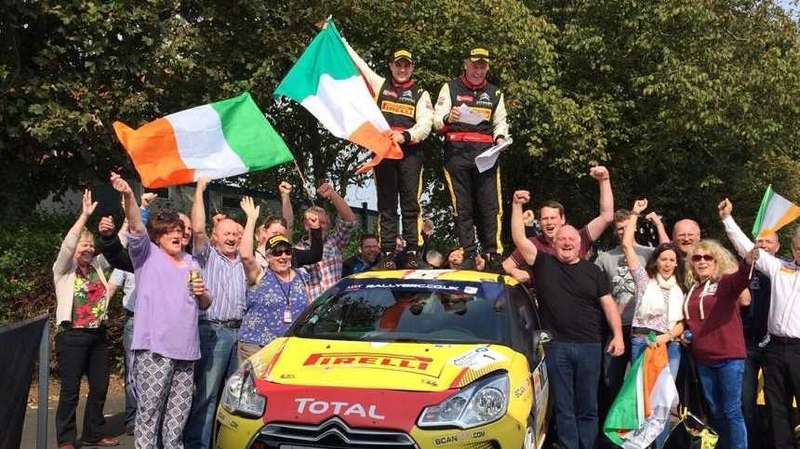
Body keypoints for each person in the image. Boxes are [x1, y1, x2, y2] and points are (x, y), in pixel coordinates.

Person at [510, 190, 624, 449]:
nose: (567, 242)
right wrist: (517, 206)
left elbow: (609, 304)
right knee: (564, 405)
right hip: (557, 346)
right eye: (562, 239)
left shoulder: (593, 271)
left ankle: (587, 445)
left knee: (588, 405)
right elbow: (519, 236)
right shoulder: (542, 263)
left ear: (579, 244)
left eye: (572, 238)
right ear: (556, 241)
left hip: (590, 346)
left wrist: (617, 335)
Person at [111, 172, 211, 449]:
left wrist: (204, 294)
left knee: (177, 418)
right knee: (149, 413)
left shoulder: (192, 262)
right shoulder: (147, 255)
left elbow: (204, 303)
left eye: (180, 232)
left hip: (186, 351)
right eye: (170, 232)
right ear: (157, 237)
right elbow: (135, 225)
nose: (177, 236)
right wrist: (129, 196)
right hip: (155, 350)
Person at [344, 39, 433, 269]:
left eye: (406, 65)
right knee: (386, 204)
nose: (402, 69)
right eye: (398, 65)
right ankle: (388, 253)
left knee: (410, 203)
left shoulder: (420, 93)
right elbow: (359, 65)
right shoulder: (380, 85)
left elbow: (426, 124)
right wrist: (339, 39)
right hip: (384, 153)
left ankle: (413, 250)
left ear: (412, 68)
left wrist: (405, 136)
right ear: (391, 66)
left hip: (410, 153)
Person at [720, 198, 800, 449]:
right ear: (792, 247)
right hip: (776, 347)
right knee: (777, 406)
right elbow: (747, 247)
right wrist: (727, 219)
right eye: (798, 248)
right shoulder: (780, 268)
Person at [185, 176, 248, 449]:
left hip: (240, 333)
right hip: (214, 331)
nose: (232, 238)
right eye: (227, 234)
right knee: (207, 395)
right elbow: (197, 229)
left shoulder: (246, 260)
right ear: (216, 235)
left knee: (236, 395)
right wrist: (199, 189)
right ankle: (196, 444)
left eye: (236, 234)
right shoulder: (207, 255)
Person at [433, 46, 509, 271]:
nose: (478, 70)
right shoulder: (450, 88)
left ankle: (493, 254)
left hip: (485, 155)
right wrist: (448, 117)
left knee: (490, 205)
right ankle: (467, 252)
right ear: (465, 64)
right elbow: (436, 121)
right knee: (462, 207)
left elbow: (501, 122)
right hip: (456, 153)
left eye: (483, 66)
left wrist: (501, 138)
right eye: (475, 65)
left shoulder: (495, 93)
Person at [52, 189, 118, 449]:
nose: (89, 249)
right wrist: (84, 215)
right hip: (72, 335)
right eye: (84, 245)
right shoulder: (62, 270)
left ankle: (93, 433)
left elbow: (119, 241)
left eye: (91, 245)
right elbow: (68, 243)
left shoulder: (98, 267)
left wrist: (136, 205)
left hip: (97, 335)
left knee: (100, 387)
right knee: (70, 391)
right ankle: (66, 439)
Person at [622, 199, 686, 447]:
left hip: (670, 345)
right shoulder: (643, 281)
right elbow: (627, 245)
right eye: (663, 259)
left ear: (676, 263)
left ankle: (659, 445)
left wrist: (668, 337)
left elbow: (683, 322)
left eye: (672, 259)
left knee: (664, 400)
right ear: (656, 261)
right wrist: (635, 214)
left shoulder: (681, 288)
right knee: (642, 398)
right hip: (644, 341)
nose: (668, 263)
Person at [682, 222, 752, 449]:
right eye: (697, 258)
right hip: (703, 360)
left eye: (708, 257)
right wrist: (686, 333)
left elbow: (742, 277)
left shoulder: (725, 283)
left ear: (717, 261)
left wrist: (748, 261)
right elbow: (690, 320)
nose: (702, 261)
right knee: (715, 411)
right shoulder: (692, 290)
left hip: (729, 357)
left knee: (731, 410)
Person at [503, 166, 615, 283]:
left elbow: (607, 217)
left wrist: (604, 180)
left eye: (553, 218)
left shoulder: (579, 237)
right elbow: (506, 265)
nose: (549, 222)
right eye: (545, 219)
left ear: (562, 219)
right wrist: (518, 272)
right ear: (539, 223)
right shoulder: (533, 245)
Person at [237, 196, 311, 362]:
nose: (283, 256)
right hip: (256, 345)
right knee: (255, 387)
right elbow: (246, 256)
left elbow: (308, 309)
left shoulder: (301, 276)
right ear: (268, 256)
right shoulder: (260, 274)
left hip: (288, 347)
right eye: (277, 252)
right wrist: (251, 219)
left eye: (287, 251)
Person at [293, 182, 359, 299]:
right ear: (305, 225)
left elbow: (350, 221)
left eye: (322, 222)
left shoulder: (335, 242)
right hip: (311, 309)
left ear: (329, 225)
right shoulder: (298, 250)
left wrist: (332, 194)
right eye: (313, 222)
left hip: (334, 305)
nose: (319, 226)